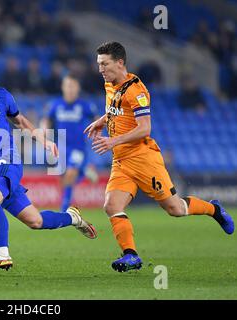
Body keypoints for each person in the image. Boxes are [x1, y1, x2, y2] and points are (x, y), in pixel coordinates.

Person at [85, 42, 234, 273]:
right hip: (122, 161)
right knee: (111, 205)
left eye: (104, 64)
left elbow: (145, 128)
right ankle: (131, 255)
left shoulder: (137, 90)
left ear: (120, 62)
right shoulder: (110, 83)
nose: (100, 69)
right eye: (98, 64)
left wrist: (112, 140)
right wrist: (102, 121)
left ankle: (213, 209)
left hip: (143, 158)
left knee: (175, 209)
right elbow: (116, 109)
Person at [0, 52, 97, 271]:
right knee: (35, 221)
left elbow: (21, 122)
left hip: (8, 160)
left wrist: (43, 140)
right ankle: (73, 218)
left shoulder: (2, 96)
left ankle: (1, 254)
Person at [40, 74, 99, 212]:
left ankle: (64, 209)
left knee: (71, 173)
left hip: (78, 148)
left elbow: (97, 119)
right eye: (67, 86)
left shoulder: (85, 106)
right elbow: (46, 119)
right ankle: (84, 172)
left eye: (73, 86)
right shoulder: (56, 104)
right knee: (64, 180)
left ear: (78, 88)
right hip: (61, 148)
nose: (70, 89)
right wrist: (44, 128)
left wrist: (97, 130)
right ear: (63, 87)